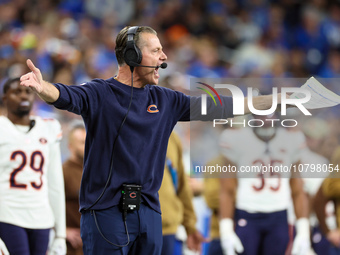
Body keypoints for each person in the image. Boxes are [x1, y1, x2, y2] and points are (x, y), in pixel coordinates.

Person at [19, 25, 282, 254]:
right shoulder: (100, 93)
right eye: (156, 50)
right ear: (133, 55)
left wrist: (274, 101)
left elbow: (221, 106)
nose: (164, 56)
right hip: (105, 212)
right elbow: (66, 95)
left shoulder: (166, 100)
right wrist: (43, 88)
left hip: (149, 212)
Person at [217, 114, 310, 255]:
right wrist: (226, 231)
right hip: (247, 212)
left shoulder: (292, 139)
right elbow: (226, 190)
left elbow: (298, 190)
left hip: (279, 214)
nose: (265, 116)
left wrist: (304, 231)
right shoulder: (236, 138)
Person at [0, 77, 66, 255]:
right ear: (5, 98)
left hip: (41, 217)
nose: (23, 96)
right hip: (8, 215)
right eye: (16, 92)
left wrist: (60, 234)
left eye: (28, 92)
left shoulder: (48, 128)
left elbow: (55, 184)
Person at [159, 131, 205, 255]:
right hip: (124, 227)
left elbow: (182, 185)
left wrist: (190, 227)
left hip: (166, 228)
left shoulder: (171, 137)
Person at [63, 124, 86, 255]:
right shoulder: (62, 172)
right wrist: (62, 231)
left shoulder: (98, 172)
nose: (88, 146)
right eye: (82, 142)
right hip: (73, 247)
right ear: (70, 146)